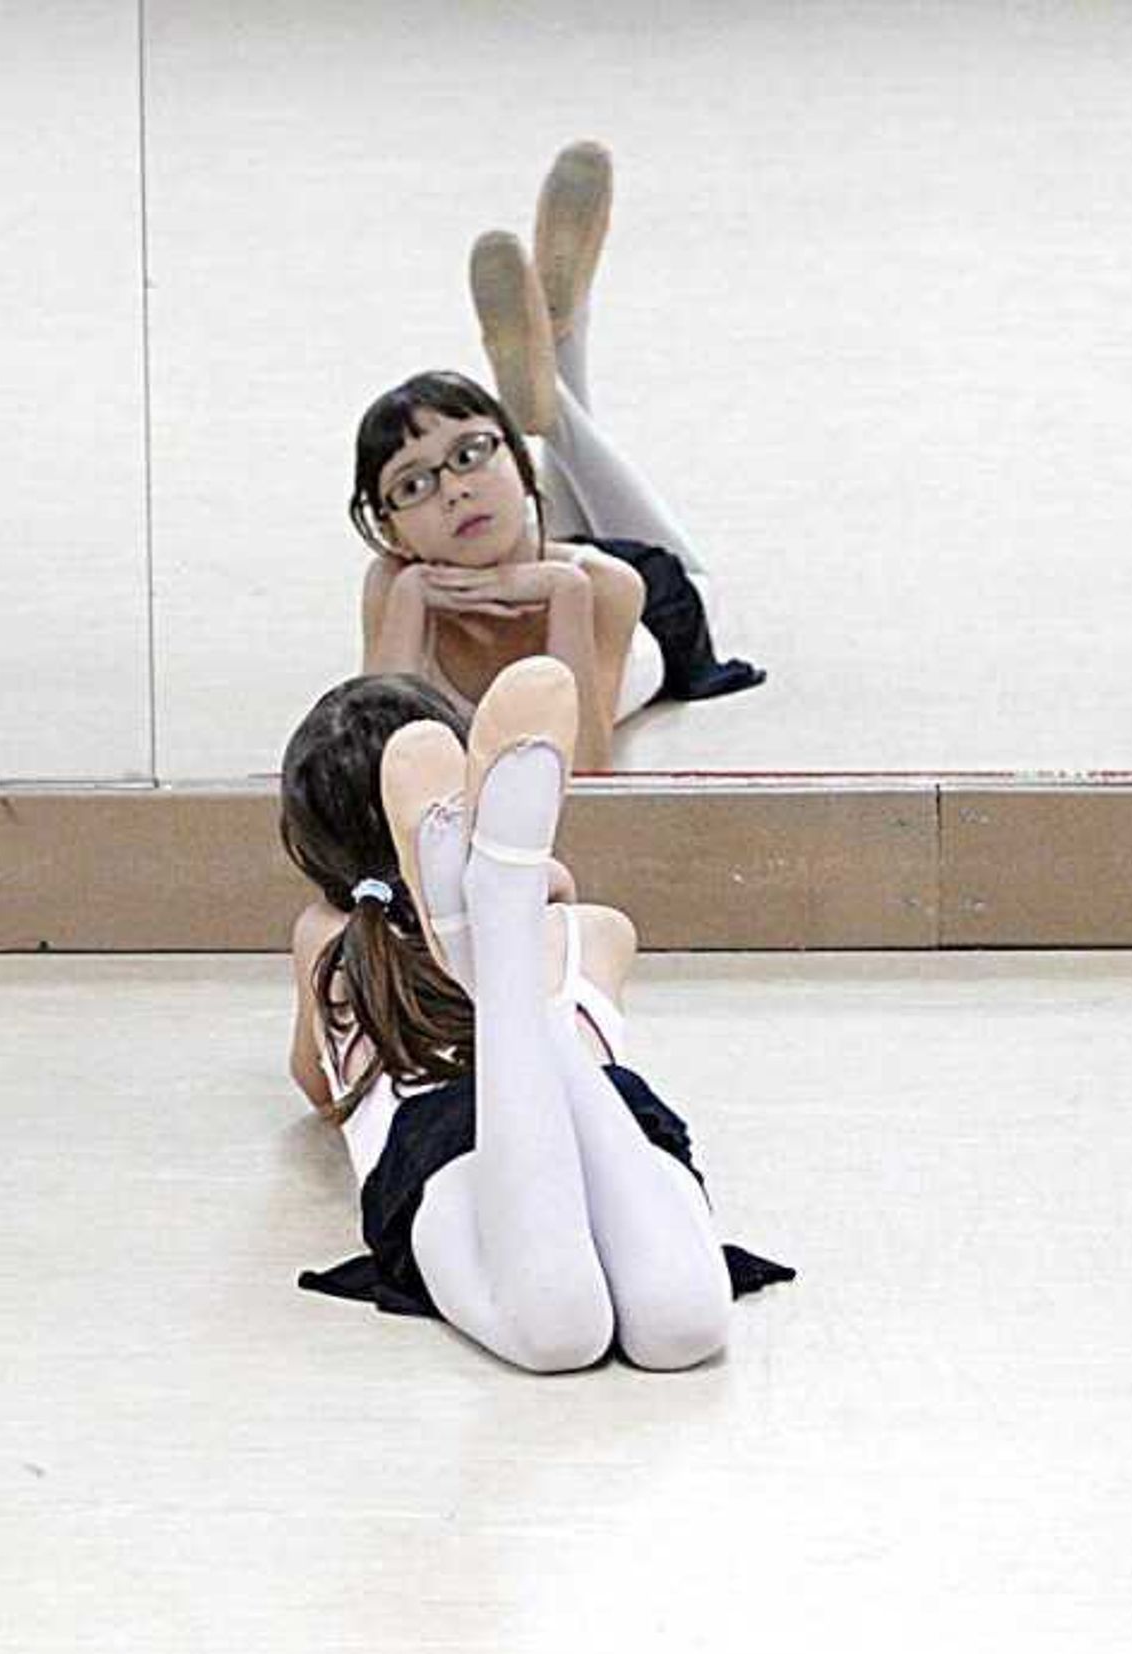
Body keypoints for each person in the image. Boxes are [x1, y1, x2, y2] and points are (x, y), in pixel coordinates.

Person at [280, 656, 788, 1369]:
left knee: (559, 1335)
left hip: (442, 1144)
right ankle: (499, 928)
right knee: (684, 1329)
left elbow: (315, 1085)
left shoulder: (330, 947)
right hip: (609, 1116)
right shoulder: (598, 930)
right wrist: (550, 902)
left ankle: (487, 942)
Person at [353, 143, 762, 772]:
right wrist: (410, 598)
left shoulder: (602, 586)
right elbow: (373, 759)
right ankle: (560, 362)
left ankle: (557, 384)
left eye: (470, 454)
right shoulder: (395, 584)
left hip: (653, 598)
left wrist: (564, 593)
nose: (453, 491)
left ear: (515, 462)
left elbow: (585, 770)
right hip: (546, 542)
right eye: (413, 487)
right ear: (390, 532)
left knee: (700, 585)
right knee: (555, 525)